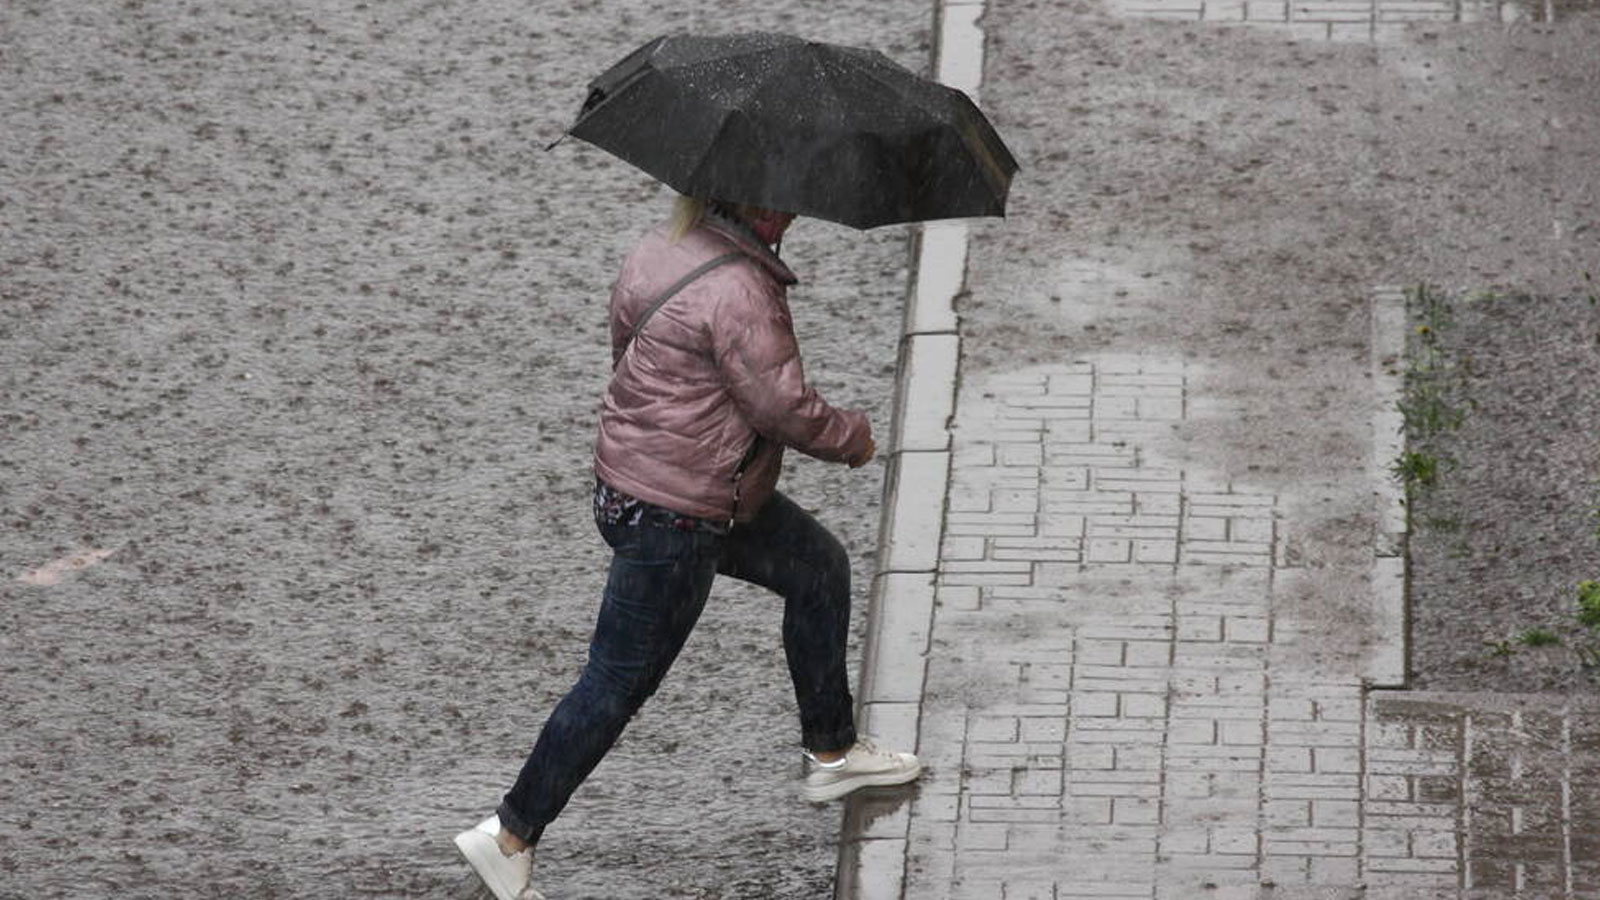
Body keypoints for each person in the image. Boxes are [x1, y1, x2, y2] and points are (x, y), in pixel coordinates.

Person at [453, 195, 922, 900]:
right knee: (615, 683)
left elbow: (626, 349)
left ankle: (833, 748)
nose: (795, 212)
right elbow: (781, 406)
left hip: (637, 488)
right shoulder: (741, 290)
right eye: (785, 203)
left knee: (815, 567)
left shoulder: (659, 248)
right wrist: (851, 437)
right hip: (676, 516)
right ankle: (509, 835)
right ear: (756, 207)